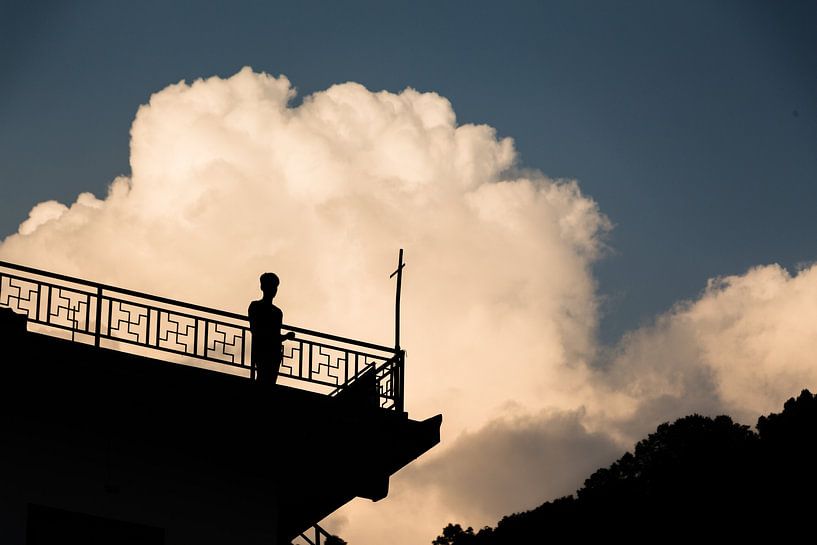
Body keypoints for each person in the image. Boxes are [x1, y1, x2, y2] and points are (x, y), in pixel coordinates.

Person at [248, 272, 294, 385]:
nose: (273, 290)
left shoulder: (278, 312)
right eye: (271, 286)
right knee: (263, 381)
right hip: (262, 350)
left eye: (275, 287)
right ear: (262, 287)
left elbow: (275, 335)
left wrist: (286, 336)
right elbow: (255, 330)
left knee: (270, 382)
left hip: (274, 353)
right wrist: (282, 337)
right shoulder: (255, 306)